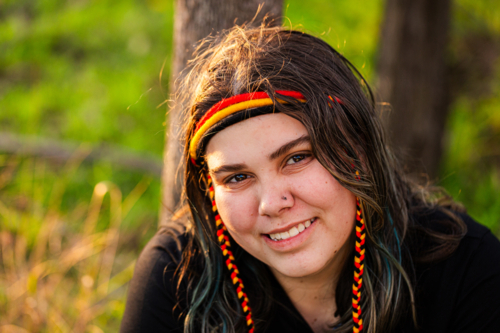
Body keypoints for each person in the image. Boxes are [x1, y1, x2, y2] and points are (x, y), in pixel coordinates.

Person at [120, 24, 500, 333]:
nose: (271, 203)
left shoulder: (465, 271)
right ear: (209, 190)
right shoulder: (177, 277)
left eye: (297, 158)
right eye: (236, 177)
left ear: (358, 149)